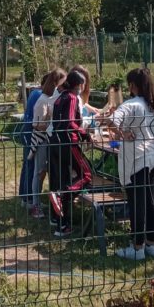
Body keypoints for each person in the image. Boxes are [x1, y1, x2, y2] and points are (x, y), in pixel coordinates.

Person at [106, 68, 154, 260]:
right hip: (153, 156)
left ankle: (137, 247)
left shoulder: (131, 104)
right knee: (150, 201)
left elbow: (110, 120)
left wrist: (123, 133)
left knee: (136, 203)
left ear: (132, 85)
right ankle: (151, 243)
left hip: (135, 159)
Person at [49, 70, 92, 238]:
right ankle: (62, 195)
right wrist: (84, 133)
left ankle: (62, 225)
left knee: (64, 180)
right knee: (87, 175)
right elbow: (69, 121)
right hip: (68, 141)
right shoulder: (73, 97)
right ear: (78, 85)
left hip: (55, 141)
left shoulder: (60, 97)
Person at [29, 69, 66, 220]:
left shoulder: (52, 98)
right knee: (39, 172)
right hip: (41, 140)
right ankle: (35, 204)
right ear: (56, 82)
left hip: (50, 139)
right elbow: (36, 124)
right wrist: (53, 125)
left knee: (47, 171)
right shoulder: (43, 100)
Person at [18, 73, 48, 211]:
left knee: (27, 165)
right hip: (33, 133)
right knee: (31, 166)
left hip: (27, 131)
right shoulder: (40, 95)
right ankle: (29, 198)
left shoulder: (34, 92)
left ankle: (24, 197)